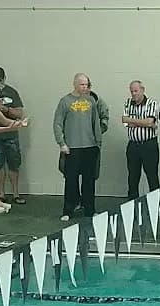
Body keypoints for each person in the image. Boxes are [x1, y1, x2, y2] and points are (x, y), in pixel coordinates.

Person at [53, 73, 103, 221]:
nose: (85, 87)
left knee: (89, 181)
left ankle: (90, 210)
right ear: (75, 84)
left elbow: (96, 123)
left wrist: (98, 143)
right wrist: (61, 143)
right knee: (71, 180)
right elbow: (57, 123)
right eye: (82, 85)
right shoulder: (65, 101)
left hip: (90, 147)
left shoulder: (91, 101)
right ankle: (68, 210)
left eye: (86, 85)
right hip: (72, 147)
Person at [0, 67, 27, 204]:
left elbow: (19, 113)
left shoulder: (12, 92)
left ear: (4, 78)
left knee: (14, 164)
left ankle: (16, 193)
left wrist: (6, 109)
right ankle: (1, 193)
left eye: (0, 79)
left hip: (11, 134)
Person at [122, 80, 160, 199]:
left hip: (149, 144)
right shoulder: (128, 103)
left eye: (136, 91)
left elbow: (149, 122)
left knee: (152, 176)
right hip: (133, 145)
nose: (133, 94)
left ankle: (155, 203)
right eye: (131, 91)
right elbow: (125, 121)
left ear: (142, 90)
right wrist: (143, 122)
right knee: (132, 177)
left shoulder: (151, 103)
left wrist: (132, 120)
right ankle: (132, 203)